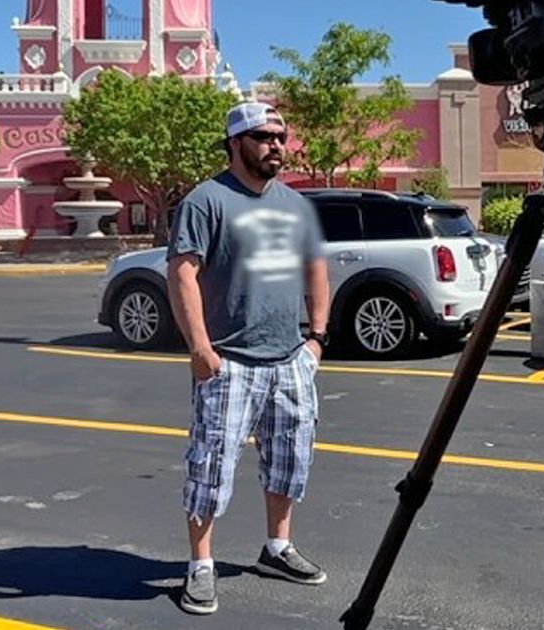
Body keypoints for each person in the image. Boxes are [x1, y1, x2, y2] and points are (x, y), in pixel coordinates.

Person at [166, 102, 331, 615]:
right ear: (235, 144)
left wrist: (316, 340)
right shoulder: (206, 201)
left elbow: (315, 268)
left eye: (280, 136)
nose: (276, 145)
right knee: (210, 467)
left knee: (289, 460)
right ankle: (200, 565)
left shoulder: (293, 204)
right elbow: (182, 274)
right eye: (263, 137)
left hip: (289, 360)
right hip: (229, 361)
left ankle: (277, 548)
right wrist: (200, 349)